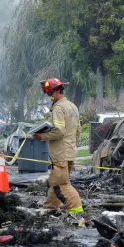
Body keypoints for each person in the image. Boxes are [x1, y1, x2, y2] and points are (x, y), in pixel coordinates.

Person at [33, 77, 84, 217]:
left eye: (49, 94)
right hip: (69, 152)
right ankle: (51, 208)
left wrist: (42, 136)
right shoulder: (72, 106)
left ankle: (76, 211)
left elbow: (60, 130)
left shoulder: (59, 108)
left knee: (61, 185)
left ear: (56, 92)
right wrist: (73, 146)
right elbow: (78, 129)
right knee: (54, 181)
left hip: (61, 153)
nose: (50, 97)